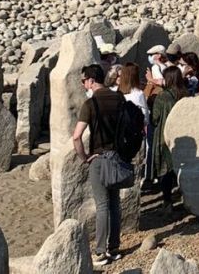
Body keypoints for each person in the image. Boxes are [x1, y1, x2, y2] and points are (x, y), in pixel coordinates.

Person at [72, 64, 124, 267]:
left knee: (102, 205)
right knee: (115, 204)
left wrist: (84, 157)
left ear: (92, 80)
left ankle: (101, 252)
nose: (83, 83)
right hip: (118, 156)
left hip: (99, 157)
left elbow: (76, 137)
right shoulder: (119, 98)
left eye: (84, 80)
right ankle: (115, 247)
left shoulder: (90, 104)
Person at [151, 66, 188, 211]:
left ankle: (167, 202)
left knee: (165, 170)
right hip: (184, 135)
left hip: (164, 137)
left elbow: (155, 118)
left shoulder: (162, 97)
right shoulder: (186, 94)